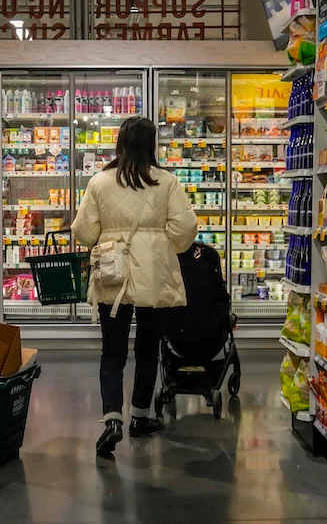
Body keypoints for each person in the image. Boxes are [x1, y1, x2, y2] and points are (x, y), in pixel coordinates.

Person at [73, 116, 198, 456]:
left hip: (113, 273)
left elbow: (84, 232)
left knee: (112, 352)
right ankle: (141, 416)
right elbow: (185, 229)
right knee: (147, 348)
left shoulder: (99, 182)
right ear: (151, 144)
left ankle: (112, 417)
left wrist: (109, 238)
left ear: (120, 143)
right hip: (154, 274)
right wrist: (159, 243)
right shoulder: (167, 181)